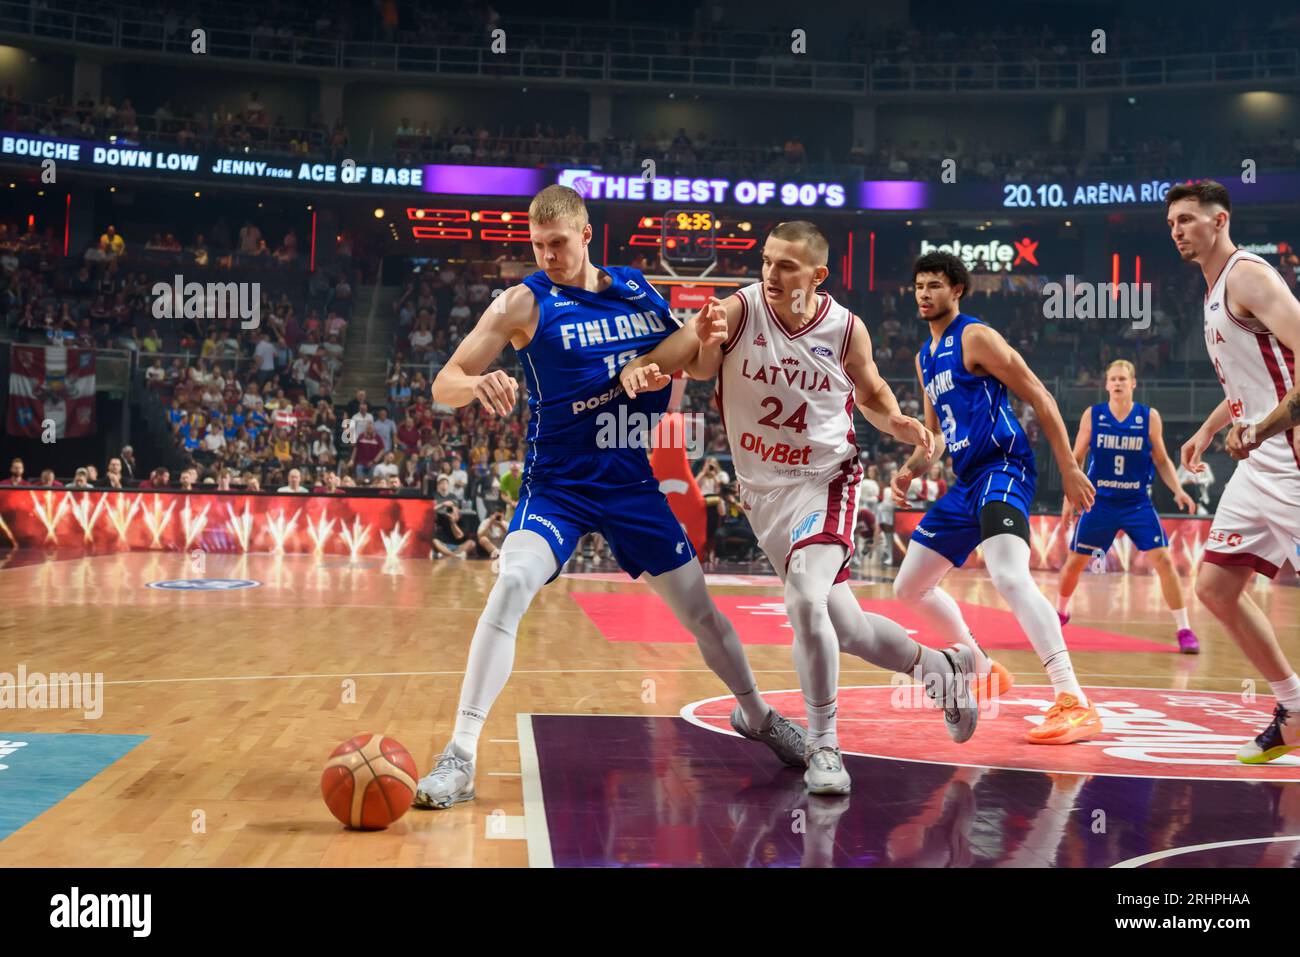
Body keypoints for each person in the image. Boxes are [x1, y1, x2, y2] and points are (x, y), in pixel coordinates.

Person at [413, 185, 804, 810]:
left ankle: (758, 715)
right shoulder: (522, 303)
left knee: (700, 612)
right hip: (559, 485)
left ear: (587, 235)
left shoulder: (633, 287)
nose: (547, 256)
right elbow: (444, 383)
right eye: (538, 246)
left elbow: (681, 354)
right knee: (512, 582)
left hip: (629, 483)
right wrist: (479, 382)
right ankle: (460, 755)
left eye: (558, 244)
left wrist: (666, 356)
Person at [622, 220, 980, 795]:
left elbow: (871, 394)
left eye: (786, 265)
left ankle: (825, 746)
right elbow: (692, 362)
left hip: (826, 480)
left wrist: (898, 422)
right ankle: (937, 667)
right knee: (849, 629)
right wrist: (667, 356)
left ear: (817, 275)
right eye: (766, 261)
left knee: (804, 601)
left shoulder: (844, 328)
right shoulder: (739, 309)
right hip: (764, 497)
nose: (770, 273)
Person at [890, 250, 1101, 745]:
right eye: (919, 285)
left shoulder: (976, 336)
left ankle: (1073, 699)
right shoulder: (924, 358)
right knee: (908, 587)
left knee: (1008, 574)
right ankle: (983, 667)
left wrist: (1069, 466)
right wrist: (913, 464)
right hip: (965, 482)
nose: (925, 293)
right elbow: (938, 435)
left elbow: (1039, 395)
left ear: (957, 290)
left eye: (935, 285)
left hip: (1004, 466)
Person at [1168, 180, 1300, 763]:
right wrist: (1207, 428)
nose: (1178, 230)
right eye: (1172, 222)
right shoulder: (1213, 290)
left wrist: (1263, 428)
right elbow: (1251, 379)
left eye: (1189, 219)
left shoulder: (1249, 275)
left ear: (1220, 221)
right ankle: (1293, 706)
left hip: (1291, 454)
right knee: (1216, 588)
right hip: (1256, 459)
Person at [1057, 359, 1200, 653]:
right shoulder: (1093, 416)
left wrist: (1178, 491)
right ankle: (1060, 612)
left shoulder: (1149, 417)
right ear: (1106, 384)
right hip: (1100, 500)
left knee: (1164, 561)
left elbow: (1161, 459)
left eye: (1123, 378)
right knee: (1075, 563)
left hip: (1136, 502)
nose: (1118, 383)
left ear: (1134, 383)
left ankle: (1184, 629)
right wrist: (1069, 498)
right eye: (1113, 379)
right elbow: (1076, 458)